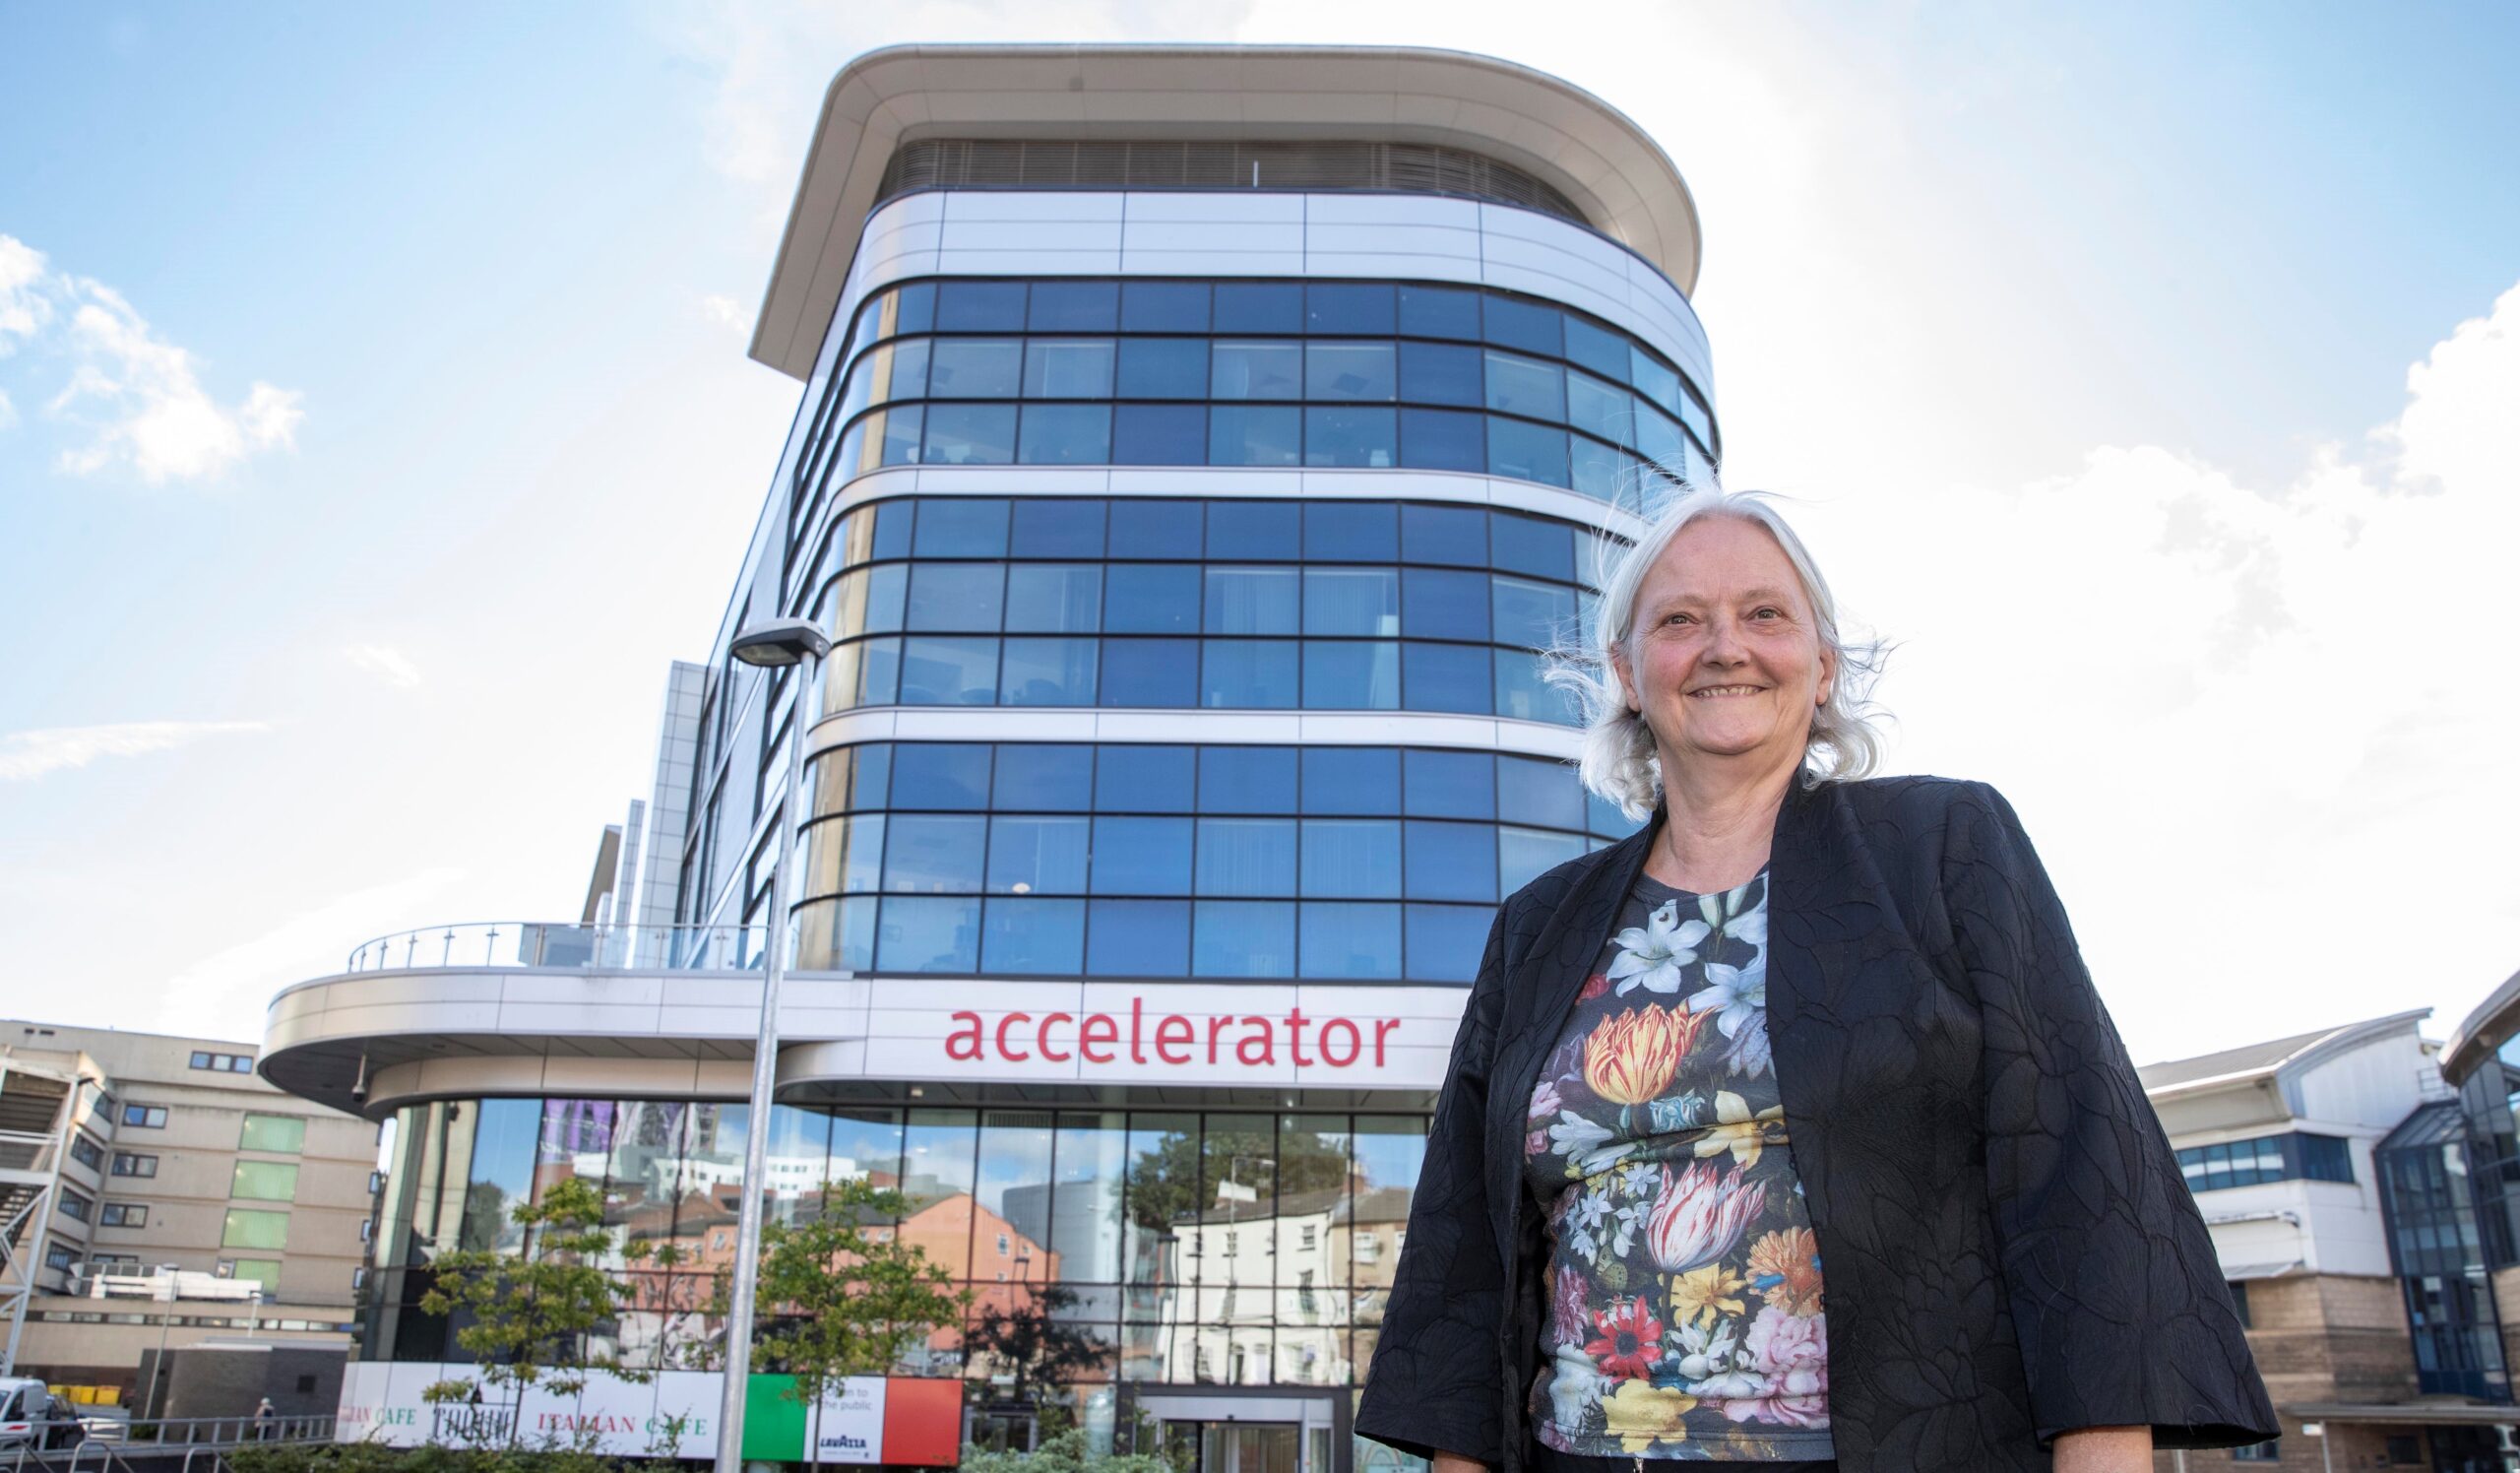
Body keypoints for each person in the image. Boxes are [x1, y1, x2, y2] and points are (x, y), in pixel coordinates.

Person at [1355, 489, 2277, 1473]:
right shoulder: (1538, 925)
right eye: (1678, 619)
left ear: (1823, 662)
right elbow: (1466, 1254)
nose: (1723, 646)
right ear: (1626, 672)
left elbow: (2080, 1181)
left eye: (1763, 613)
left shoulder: (1945, 848)